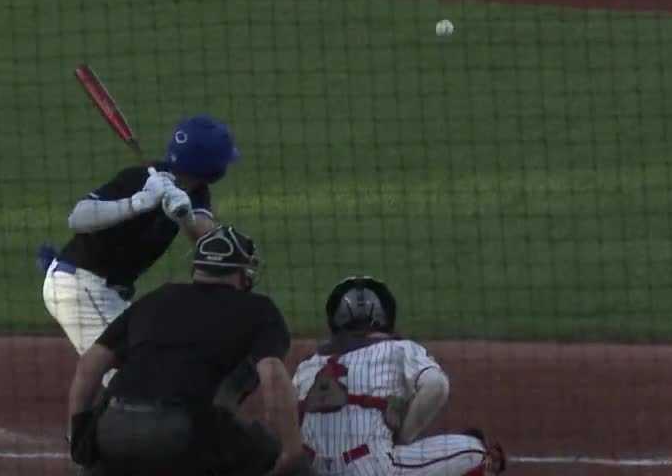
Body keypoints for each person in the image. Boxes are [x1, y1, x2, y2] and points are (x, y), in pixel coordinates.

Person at [66, 225, 309, 476]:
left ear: (197, 267)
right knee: (271, 453)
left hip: (114, 427)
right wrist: (292, 452)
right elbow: (273, 376)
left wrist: (80, 433)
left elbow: (90, 363)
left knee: (97, 467)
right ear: (243, 272)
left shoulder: (157, 298)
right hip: (180, 433)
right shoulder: (259, 310)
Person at [42, 115, 239, 356]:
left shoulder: (196, 192)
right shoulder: (138, 179)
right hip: (80, 286)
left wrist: (185, 215)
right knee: (128, 374)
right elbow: (78, 218)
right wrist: (137, 203)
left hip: (111, 292)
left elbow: (208, 240)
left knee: (147, 360)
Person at [293, 276, 507, 476]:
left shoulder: (308, 364)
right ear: (384, 317)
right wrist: (404, 438)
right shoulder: (399, 349)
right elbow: (436, 386)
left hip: (312, 470)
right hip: (372, 468)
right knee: (479, 453)